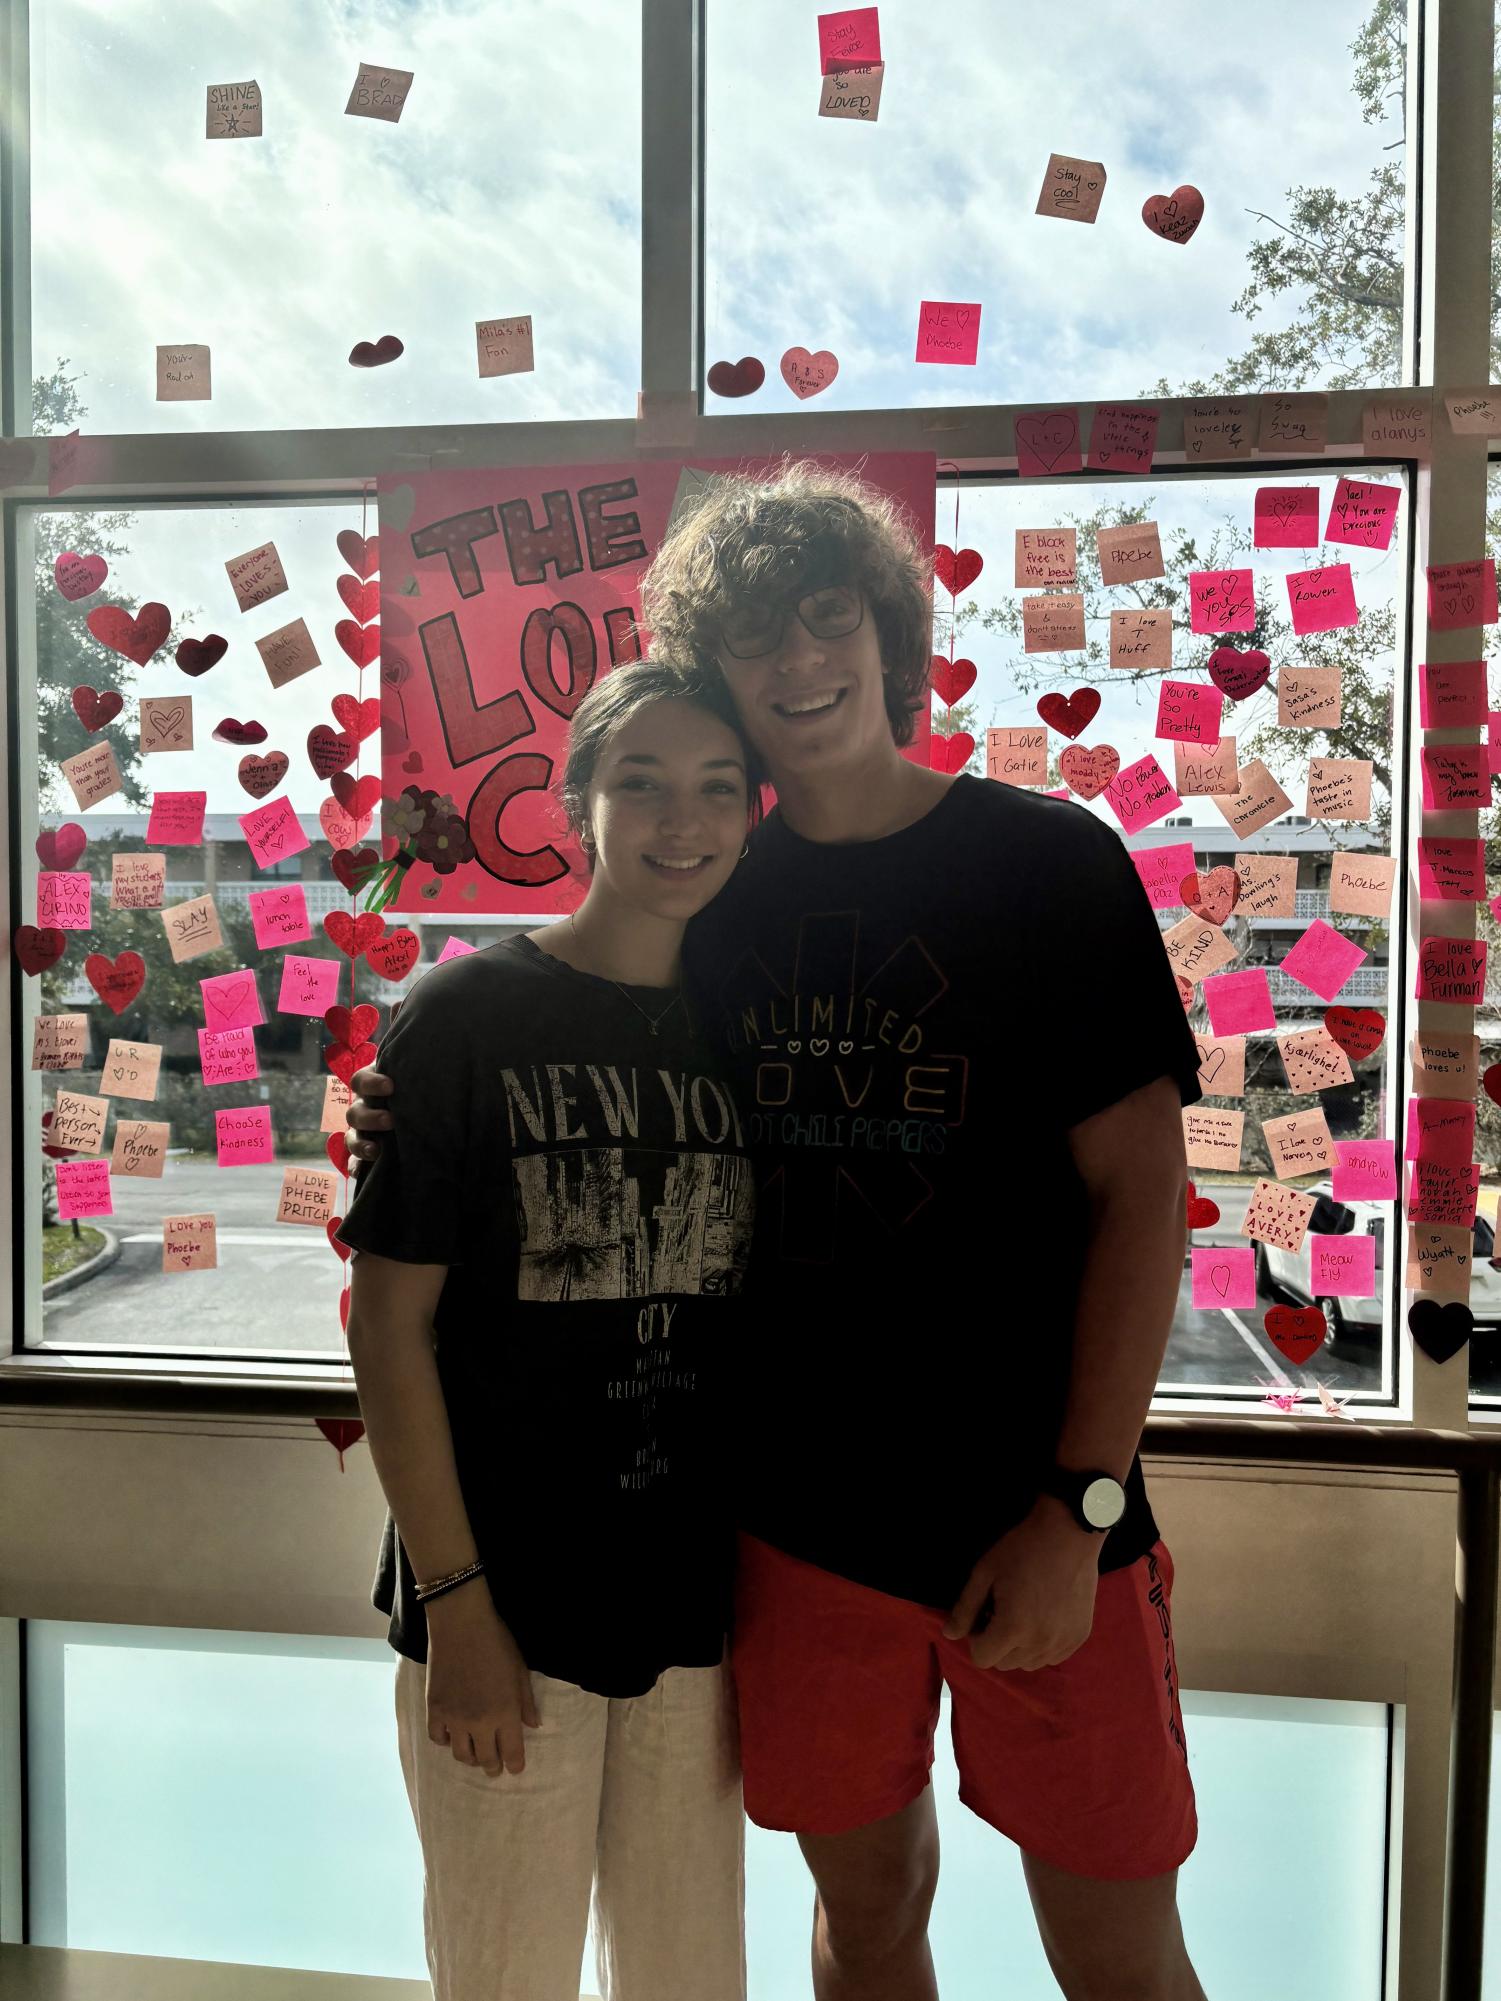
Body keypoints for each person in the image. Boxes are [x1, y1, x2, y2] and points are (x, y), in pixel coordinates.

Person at [349, 461, 1212, 2001]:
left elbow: (1144, 1196)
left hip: (1036, 1515)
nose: (800, 664)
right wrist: (401, 1101)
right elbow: (557, 1035)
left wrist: (1075, 1505)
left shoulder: (1044, 863)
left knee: (1118, 1951)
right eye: (759, 641)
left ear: (889, 633)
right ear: (717, 677)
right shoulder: (711, 893)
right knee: (864, 1920)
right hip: (796, 1535)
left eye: (829, 621)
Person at [338, 659, 763, 2001]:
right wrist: (459, 1607)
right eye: (638, 782)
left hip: (696, 1611)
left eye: (712, 787)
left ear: (756, 812)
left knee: (686, 1977)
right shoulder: (464, 1017)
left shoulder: (758, 1029)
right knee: (501, 1974)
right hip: (500, 1612)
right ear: (577, 799)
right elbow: (388, 1332)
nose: (676, 821)